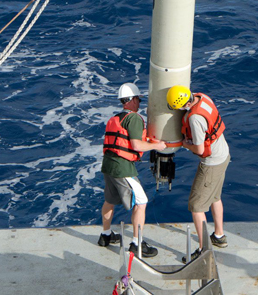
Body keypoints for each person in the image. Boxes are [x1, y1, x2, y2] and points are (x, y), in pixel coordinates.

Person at [98, 82, 167, 257]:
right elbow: (136, 145)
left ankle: (105, 236)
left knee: (110, 200)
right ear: (133, 100)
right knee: (141, 202)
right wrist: (156, 145)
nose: (139, 104)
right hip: (123, 168)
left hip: (108, 165)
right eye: (139, 100)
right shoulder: (134, 118)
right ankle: (137, 244)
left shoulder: (114, 118)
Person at [166, 85, 230, 262]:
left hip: (212, 163)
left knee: (196, 207)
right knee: (215, 197)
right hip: (224, 154)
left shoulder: (195, 119)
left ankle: (203, 251)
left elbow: (200, 149)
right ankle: (218, 235)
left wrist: (184, 144)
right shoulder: (202, 97)